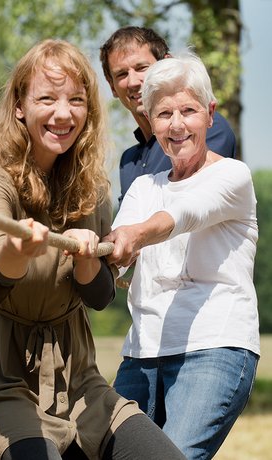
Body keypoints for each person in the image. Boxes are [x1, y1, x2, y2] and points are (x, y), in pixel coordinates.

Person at [0, 39, 185, 460]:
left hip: (78, 378)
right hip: (1, 376)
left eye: (76, 100)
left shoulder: (91, 187)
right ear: (19, 105)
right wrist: (19, 248)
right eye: (47, 98)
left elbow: (98, 297)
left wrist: (87, 261)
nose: (64, 113)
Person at [103, 51, 260, 460]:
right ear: (151, 122)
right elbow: (116, 251)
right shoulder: (143, 187)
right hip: (141, 354)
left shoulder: (232, 176)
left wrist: (135, 235)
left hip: (215, 348)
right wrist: (94, 245)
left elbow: (184, 214)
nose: (176, 125)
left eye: (188, 111)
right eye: (164, 114)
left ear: (210, 114)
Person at [99, 26, 237, 207]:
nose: (133, 82)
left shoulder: (206, 129)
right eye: (122, 74)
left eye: (141, 68)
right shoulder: (128, 161)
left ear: (167, 65)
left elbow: (193, 207)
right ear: (111, 86)